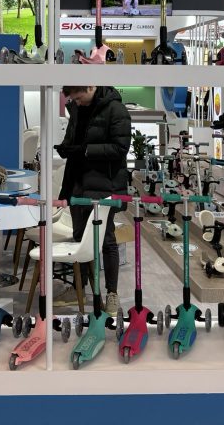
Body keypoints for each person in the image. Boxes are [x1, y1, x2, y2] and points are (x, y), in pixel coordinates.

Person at [55, 85, 131, 315]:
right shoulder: (77, 109)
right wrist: (67, 148)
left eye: (79, 97)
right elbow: (74, 141)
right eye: (74, 99)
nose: (77, 102)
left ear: (90, 86)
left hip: (104, 185)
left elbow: (120, 148)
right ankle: (80, 289)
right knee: (79, 238)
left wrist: (86, 150)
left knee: (106, 240)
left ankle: (111, 294)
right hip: (77, 183)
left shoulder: (116, 109)